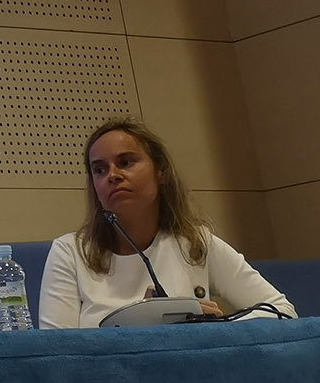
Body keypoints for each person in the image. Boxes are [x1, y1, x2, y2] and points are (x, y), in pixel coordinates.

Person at [38, 119, 293, 328]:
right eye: (100, 170)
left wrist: (215, 326)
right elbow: (56, 353)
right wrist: (140, 324)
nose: (112, 175)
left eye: (125, 162)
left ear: (161, 172)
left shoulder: (195, 243)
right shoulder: (70, 252)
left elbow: (282, 311)